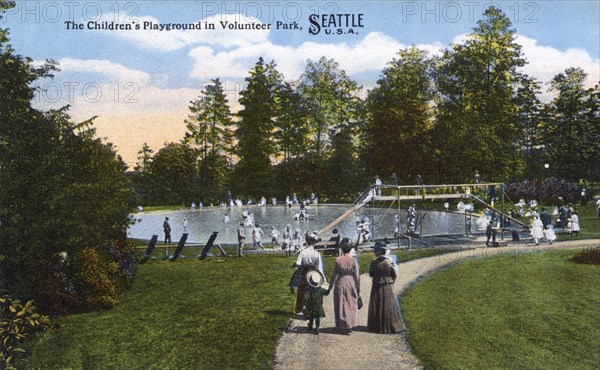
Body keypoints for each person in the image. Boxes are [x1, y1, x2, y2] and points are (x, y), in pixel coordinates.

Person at [367, 241, 404, 334]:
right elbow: (394, 274)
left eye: (376, 250)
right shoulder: (389, 261)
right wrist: (391, 281)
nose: (374, 251)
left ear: (379, 251)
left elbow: (371, 273)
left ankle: (377, 326)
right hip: (387, 284)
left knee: (377, 304)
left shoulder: (374, 263)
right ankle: (390, 325)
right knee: (388, 305)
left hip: (377, 285)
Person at [328, 240, 360, 334]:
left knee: (340, 302)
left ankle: (340, 324)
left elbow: (334, 274)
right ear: (350, 250)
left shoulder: (338, 260)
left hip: (340, 281)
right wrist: (358, 288)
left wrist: (330, 285)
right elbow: (357, 276)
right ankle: (349, 324)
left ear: (342, 249)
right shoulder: (354, 260)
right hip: (350, 282)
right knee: (350, 302)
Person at [293, 236, 325, 315]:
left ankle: (300, 309)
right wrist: (324, 281)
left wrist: (296, 265)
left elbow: (298, 263)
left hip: (304, 272)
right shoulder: (316, 253)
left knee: (301, 290)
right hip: (313, 272)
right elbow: (319, 268)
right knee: (312, 290)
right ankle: (311, 308)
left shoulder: (303, 252)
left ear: (307, 242)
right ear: (314, 243)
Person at [303, 270, 329, 335]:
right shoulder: (320, 289)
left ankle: (310, 326)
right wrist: (328, 288)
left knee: (311, 316)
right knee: (317, 317)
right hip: (318, 305)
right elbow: (326, 293)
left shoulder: (309, 290)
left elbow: (306, 297)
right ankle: (317, 327)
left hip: (311, 305)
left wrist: (304, 304)